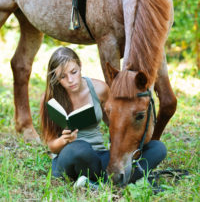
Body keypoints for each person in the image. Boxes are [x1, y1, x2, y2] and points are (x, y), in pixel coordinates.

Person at [40, 46, 167, 188]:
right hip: (71, 156)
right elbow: (51, 146)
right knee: (81, 148)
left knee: (158, 148)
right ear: (56, 79)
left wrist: (121, 147)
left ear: (80, 66)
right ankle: (130, 180)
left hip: (100, 156)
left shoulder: (99, 88)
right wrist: (64, 141)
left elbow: (114, 122)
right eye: (62, 77)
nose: (70, 80)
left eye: (73, 72)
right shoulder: (51, 99)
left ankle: (98, 183)